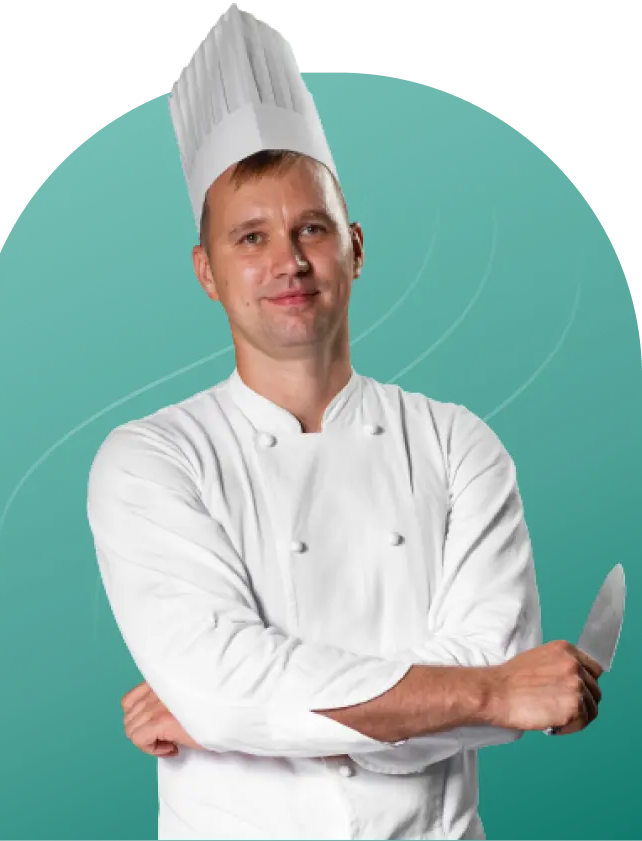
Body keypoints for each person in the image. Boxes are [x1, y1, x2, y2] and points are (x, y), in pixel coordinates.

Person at [85, 6, 604, 840]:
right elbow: (497, 691)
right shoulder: (151, 458)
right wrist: (486, 693)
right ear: (207, 271)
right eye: (250, 238)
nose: (288, 262)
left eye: (312, 229)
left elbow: (231, 696)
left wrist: (244, 717)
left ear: (355, 247)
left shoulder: (457, 443)